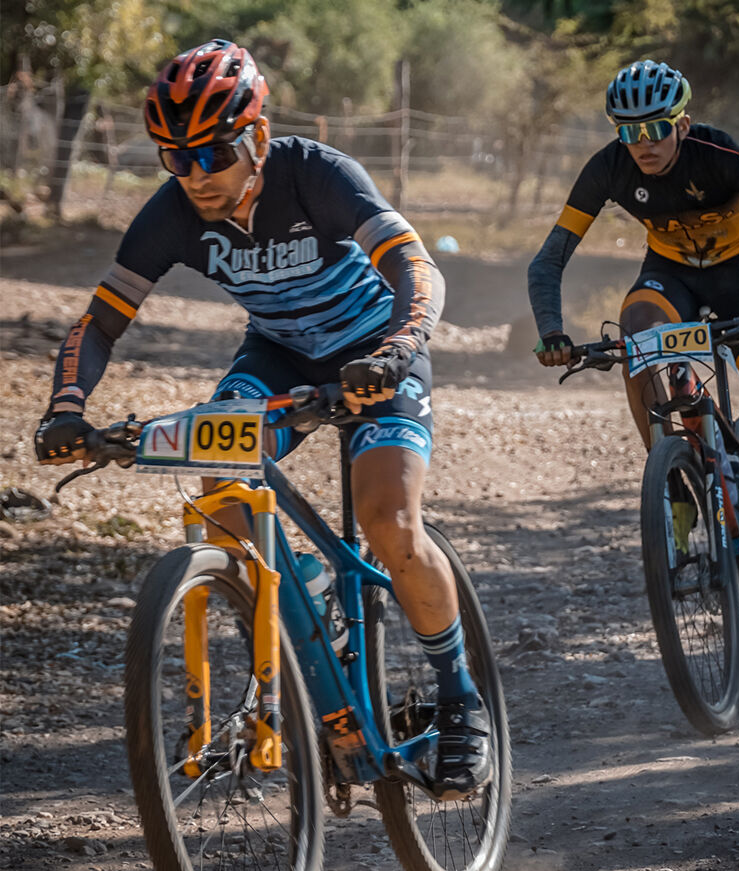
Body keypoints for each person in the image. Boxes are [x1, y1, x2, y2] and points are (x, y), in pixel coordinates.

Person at [34, 39, 490, 797]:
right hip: (278, 356)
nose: (198, 176)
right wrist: (67, 408)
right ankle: (311, 600)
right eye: (176, 160)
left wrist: (400, 348)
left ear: (259, 137)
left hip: (376, 355)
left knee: (389, 522)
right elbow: (103, 320)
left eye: (213, 153)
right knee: (217, 470)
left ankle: (460, 695)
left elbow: (417, 266)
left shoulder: (316, 174)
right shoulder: (173, 212)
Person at [528, 59, 739, 635]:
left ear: (682, 124)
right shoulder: (609, 169)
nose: (642, 144)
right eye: (628, 131)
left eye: (654, 129)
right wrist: (552, 332)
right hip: (672, 279)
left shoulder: (720, 156)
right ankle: (673, 485)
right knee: (636, 326)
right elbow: (548, 259)